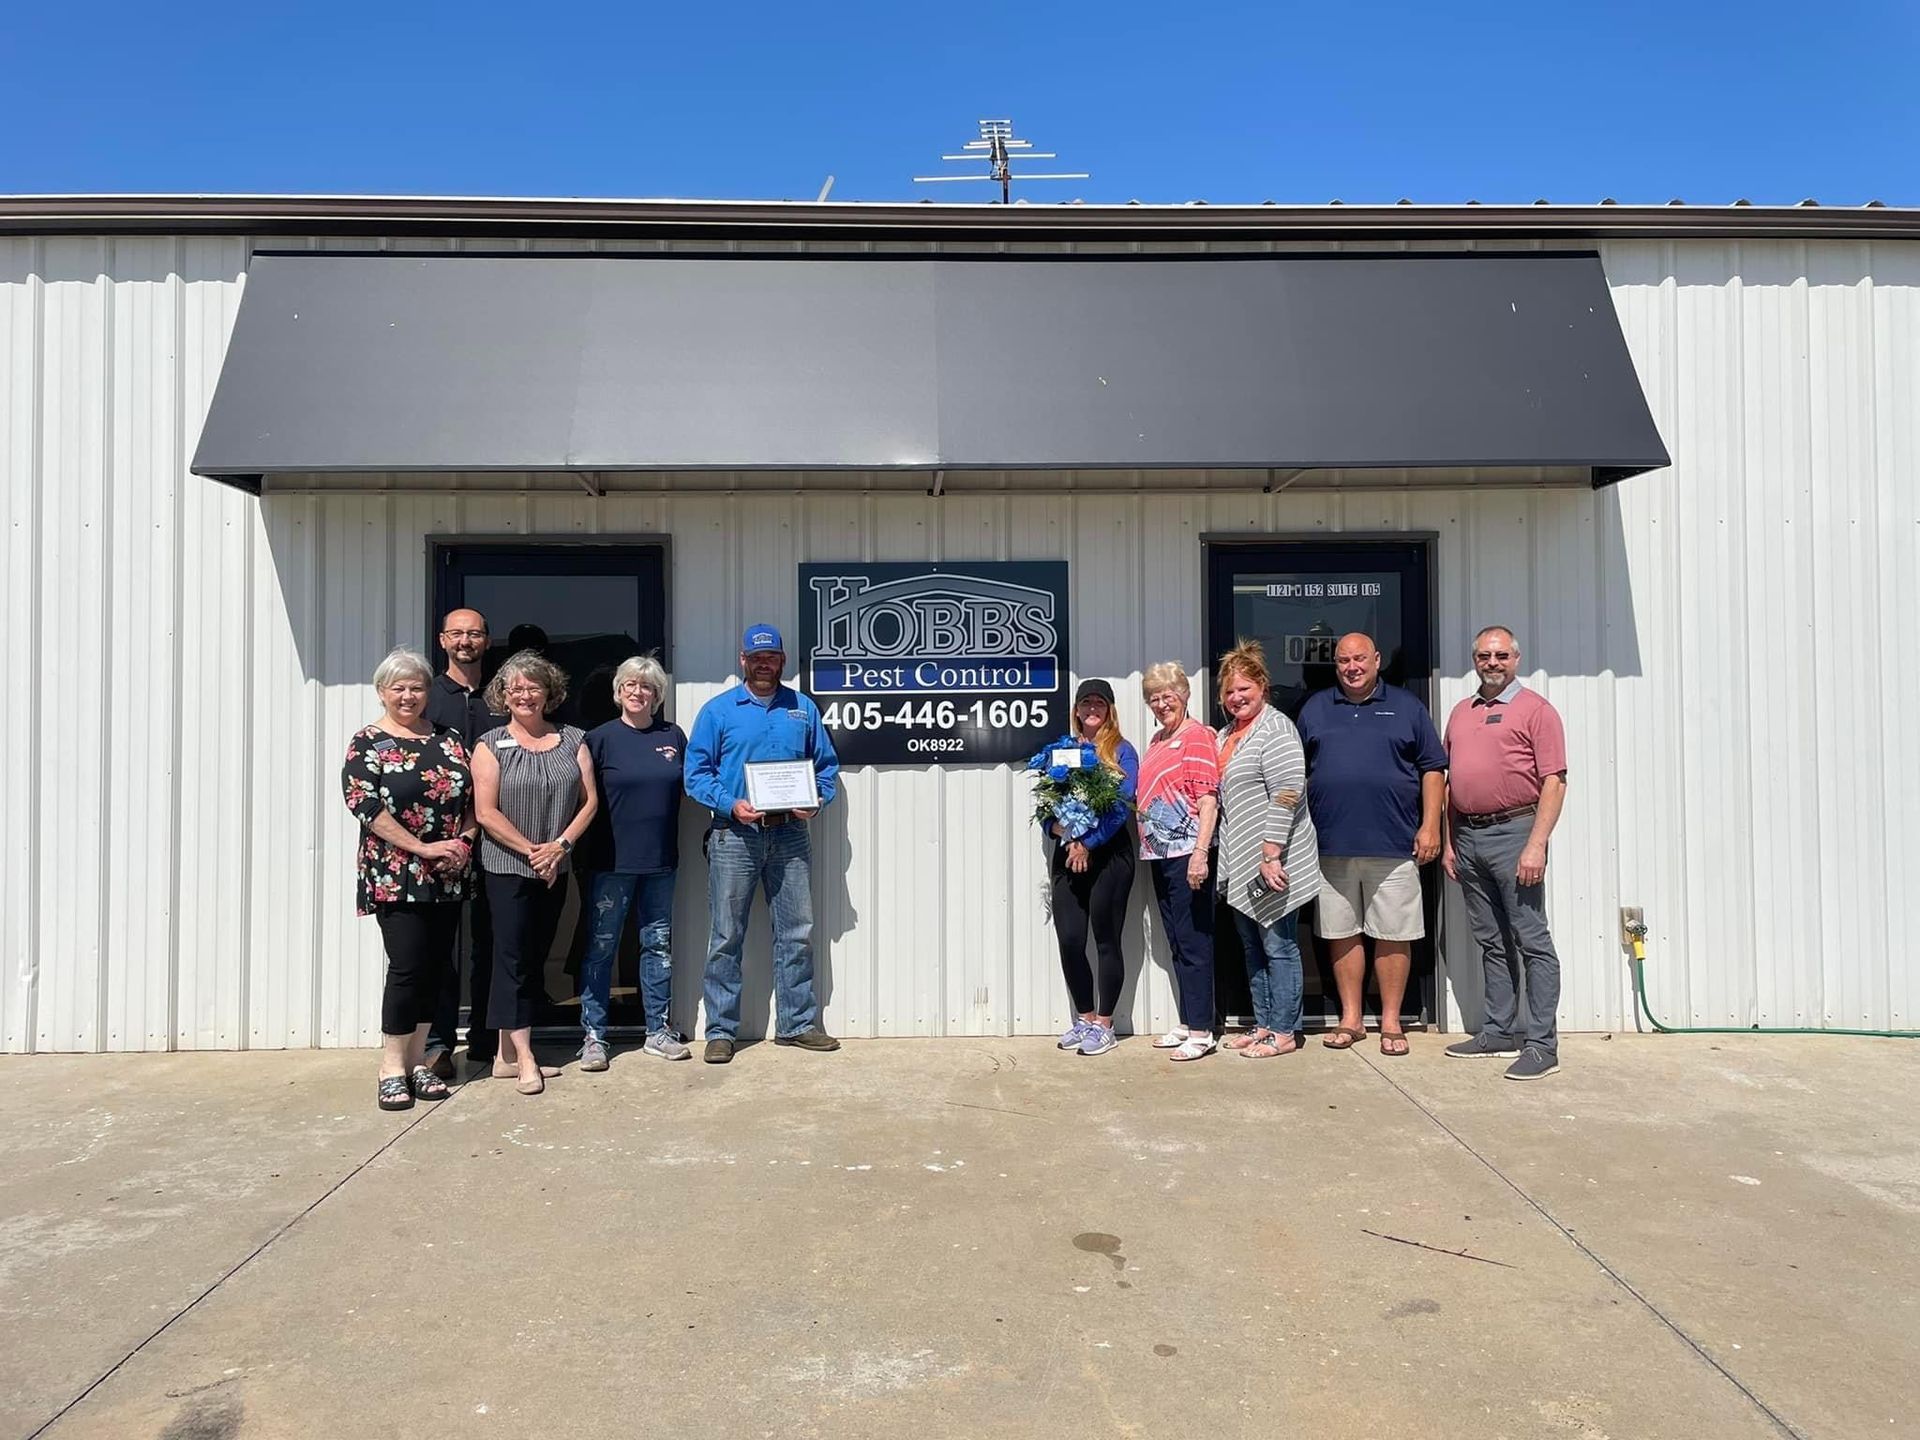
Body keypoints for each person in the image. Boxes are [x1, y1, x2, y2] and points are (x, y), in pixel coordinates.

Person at [683, 624, 841, 1064]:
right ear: (743, 660)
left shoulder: (802, 709)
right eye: (756, 657)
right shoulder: (717, 712)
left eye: (771, 656)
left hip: (791, 833)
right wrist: (731, 805)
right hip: (735, 835)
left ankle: (797, 1024)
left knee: (797, 933)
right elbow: (696, 775)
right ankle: (720, 1031)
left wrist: (817, 801)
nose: (764, 663)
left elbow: (826, 768)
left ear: (782, 661)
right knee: (725, 934)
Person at [1297, 632, 1447, 1056]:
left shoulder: (1407, 707)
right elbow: (1297, 772)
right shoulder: (1316, 708)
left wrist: (1430, 825)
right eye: (1343, 660)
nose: (1352, 667)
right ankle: (1351, 1018)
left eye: (1360, 658)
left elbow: (1433, 768)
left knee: (1393, 933)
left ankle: (1392, 1021)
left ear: (1377, 660)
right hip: (1329, 844)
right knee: (1341, 933)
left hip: (1395, 843)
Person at [341, 647, 476, 1111]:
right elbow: (365, 805)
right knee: (407, 969)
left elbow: (472, 799)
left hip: (447, 870)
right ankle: (391, 1066)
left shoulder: (449, 738)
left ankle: (419, 1060)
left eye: (417, 687)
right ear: (382, 692)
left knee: (436, 970)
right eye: (398, 687)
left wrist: (463, 843)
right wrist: (421, 847)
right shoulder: (369, 742)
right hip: (397, 871)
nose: (408, 695)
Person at [1442, 625, 1568, 1081]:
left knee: (1531, 941)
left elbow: (1555, 780)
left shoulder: (1536, 711)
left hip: (1516, 834)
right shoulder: (1461, 712)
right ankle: (1498, 1030)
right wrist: (1451, 839)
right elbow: (1451, 782)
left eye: (1500, 656)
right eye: (1483, 656)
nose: (1491, 663)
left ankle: (1541, 1044)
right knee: (1491, 941)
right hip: (1469, 837)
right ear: (1474, 659)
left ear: (1516, 658)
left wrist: (1536, 844)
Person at [472, 651, 599, 1095]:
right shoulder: (489, 745)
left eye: (534, 687)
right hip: (508, 867)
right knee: (512, 960)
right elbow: (485, 813)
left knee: (535, 957)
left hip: (554, 865)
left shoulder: (573, 738)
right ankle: (524, 1056)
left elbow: (590, 802)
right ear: (503, 696)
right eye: (516, 688)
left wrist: (559, 847)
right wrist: (532, 851)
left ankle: (504, 1057)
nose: (525, 695)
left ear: (550, 693)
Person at [577, 655, 691, 1068]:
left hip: (660, 860)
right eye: (629, 685)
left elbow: (690, 785)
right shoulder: (598, 739)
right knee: (601, 948)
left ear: (657, 695)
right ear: (618, 691)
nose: (637, 692)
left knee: (657, 946)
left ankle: (657, 1031)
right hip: (610, 862)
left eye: (646, 687)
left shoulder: (673, 736)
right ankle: (594, 1036)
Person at [1213, 640, 1321, 1058]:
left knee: (1279, 945)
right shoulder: (1227, 735)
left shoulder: (1275, 729)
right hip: (1241, 862)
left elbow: (1288, 793)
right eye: (1229, 692)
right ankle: (1263, 1023)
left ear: (1262, 686)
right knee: (1252, 947)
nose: (1236, 697)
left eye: (1244, 688)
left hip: (1272, 858)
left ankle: (1284, 1031)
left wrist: (1271, 852)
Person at [423, 607, 504, 1079]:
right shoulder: (429, 697)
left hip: (497, 837)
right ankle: (437, 1043)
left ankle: (486, 1041)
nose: (466, 641)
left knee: (491, 942)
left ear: (487, 642)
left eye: (475, 633)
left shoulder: (503, 695)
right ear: (443, 640)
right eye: (457, 634)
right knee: (440, 945)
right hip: (445, 840)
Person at [1047, 679, 1141, 1058]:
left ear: (1110, 709)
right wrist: (1054, 828)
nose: (1091, 708)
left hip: (1109, 856)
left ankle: (1105, 1025)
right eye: (1085, 701)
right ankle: (1084, 1018)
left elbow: (1121, 805)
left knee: (1106, 939)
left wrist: (1089, 842)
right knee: (1070, 939)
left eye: (1099, 702)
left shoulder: (1121, 751)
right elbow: (1049, 799)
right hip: (1068, 853)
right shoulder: (1063, 749)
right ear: (1076, 709)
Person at [1136, 662, 1220, 1061]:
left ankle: (1202, 1030)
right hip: (1159, 852)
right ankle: (1189, 1020)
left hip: (1187, 851)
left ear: (1184, 694)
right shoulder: (1156, 740)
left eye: (1168, 695)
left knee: (1194, 942)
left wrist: (1201, 854)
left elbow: (1207, 799)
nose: (1161, 703)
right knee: (1176, 941)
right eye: (1154, 698)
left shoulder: (1198, 736)